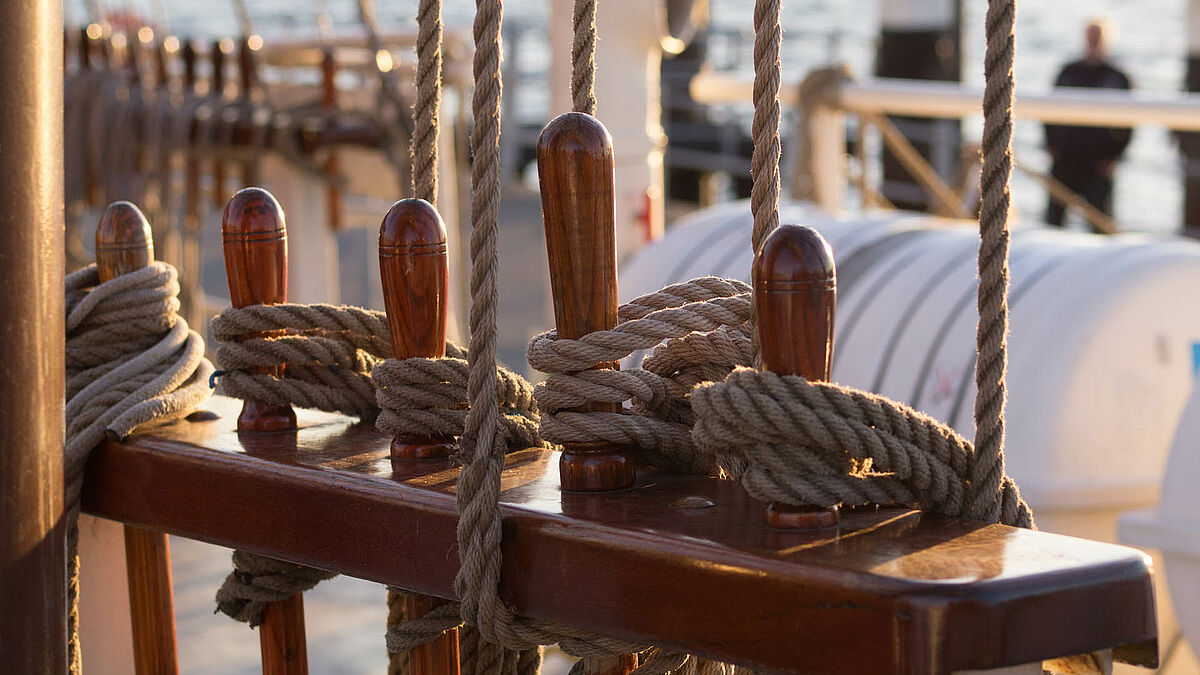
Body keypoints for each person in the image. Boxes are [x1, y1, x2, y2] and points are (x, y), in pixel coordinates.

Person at [1044, 18, 1133, 230]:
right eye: (1090, 37)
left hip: (1099, 162)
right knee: (1053, 220)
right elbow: (1048, 112)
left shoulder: (1118, 77)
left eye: (1098, 37)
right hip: (1066, 159)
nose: (1093, 42)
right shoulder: (1068, 72)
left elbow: (1129, 122)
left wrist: (1114, 157)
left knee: (1100, 222)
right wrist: (1052, 146)